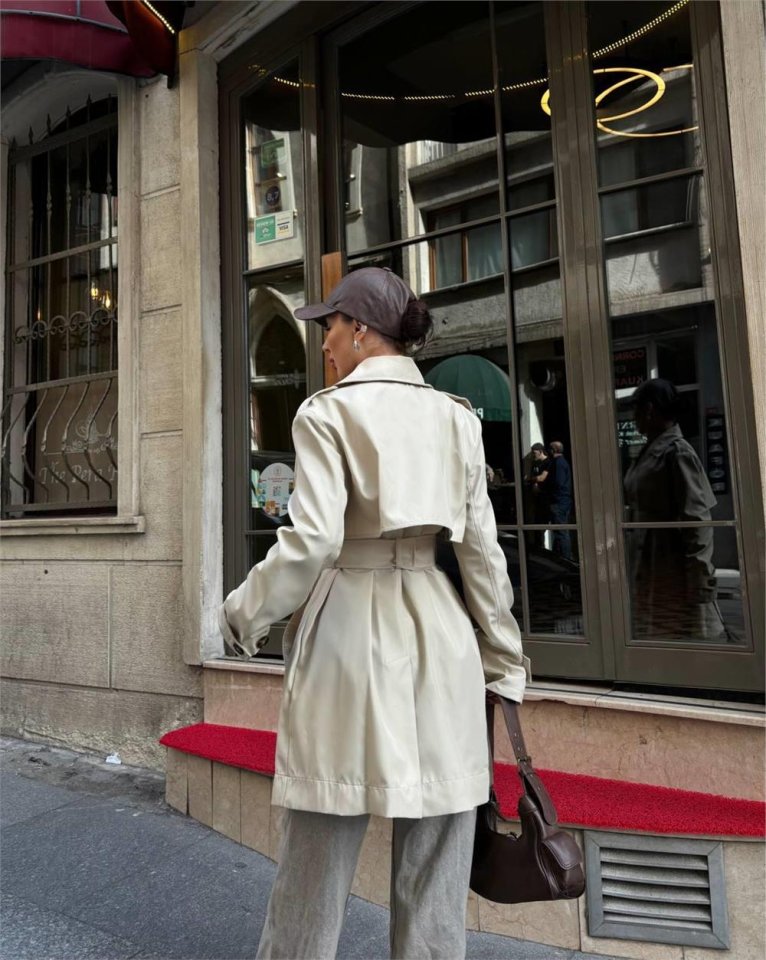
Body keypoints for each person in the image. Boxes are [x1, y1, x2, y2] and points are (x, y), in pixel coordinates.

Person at [219, 266, 529, 960]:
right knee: (437, 866)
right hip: (440, 631)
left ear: (361, 329)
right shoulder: (456, 418)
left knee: (316, 854)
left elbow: (311, 542)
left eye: (330, 325)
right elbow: (482, 553)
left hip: (350, 633)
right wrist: (504, 659)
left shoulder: (327, 413)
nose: (325, 342)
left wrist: (243, 613)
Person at [624, 378, 721, 641]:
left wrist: (700, 576)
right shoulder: (649, 450)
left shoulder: (678, 452)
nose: (633, 418)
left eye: (636, 410)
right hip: (648, 560)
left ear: (649, 410)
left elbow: (697, 519)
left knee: (675, 636)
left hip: (669, 561)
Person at [533, 440, 573, 559]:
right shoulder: (560, 462)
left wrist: (543, 487)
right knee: (559, 532)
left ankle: (565, 559)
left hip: (559, 501)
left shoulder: (558, 463)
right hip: (561, 501)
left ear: (552, 450)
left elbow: (558, 482)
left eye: (549, 449)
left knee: (561, 532)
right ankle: (560, 557)